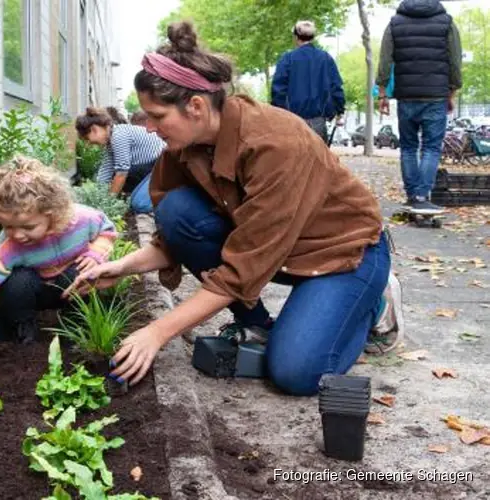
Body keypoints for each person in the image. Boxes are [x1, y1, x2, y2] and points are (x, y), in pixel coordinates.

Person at [64, 21, 405, 396]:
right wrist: (122, 267)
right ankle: (257, 324)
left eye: (157, 117)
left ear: (195, 106)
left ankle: (370, 306)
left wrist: (157, 332)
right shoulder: (183, 145)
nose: (149, 128)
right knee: (177, 210)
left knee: (295, 373)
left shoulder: (276, 144)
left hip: (343, 253)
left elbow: (243, 268)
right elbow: (177, 236)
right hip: (279, 253)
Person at [0, 156, 117, 374]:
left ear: (51, 214)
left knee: (85, 271)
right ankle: (25, 333)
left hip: (71, 284)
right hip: (34, 290)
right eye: (8, 226)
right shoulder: (8, 247)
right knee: (16, 281)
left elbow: (107, 230)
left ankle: (75, 326)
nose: (18, 235)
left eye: (28, 226)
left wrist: (96, 253)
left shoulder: (82, 219)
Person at [377, 0, 463, 213]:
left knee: (408, 147)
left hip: (407, 95)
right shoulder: (447, 23)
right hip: (435, 95)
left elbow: (385, 59)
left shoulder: (395, 23)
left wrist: (382, 92)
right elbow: (455, 59)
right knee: (431, 147)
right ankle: (422, 196)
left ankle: (412, 194)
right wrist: (452, 90)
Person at [76, 107, 165, 214]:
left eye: (87, 138)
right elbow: (105, 171)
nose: (88, 144)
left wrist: (108, 204)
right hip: (150, 167)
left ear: (94, 129)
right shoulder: (111, 140)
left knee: (140, 205)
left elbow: (121, 174)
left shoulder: (119, 136)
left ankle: (166, 197)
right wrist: (95, 195)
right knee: (118, 178)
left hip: (163, 165)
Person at [271, 20, 346, 143]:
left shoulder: (287, 59)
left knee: (294, 159)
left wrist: (279, 113)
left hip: (292, 121)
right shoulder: (326, 58)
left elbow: (278, 90)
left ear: (296, 37)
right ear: (313, 37)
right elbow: (336, 87)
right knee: (317, 160)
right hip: (318, 122)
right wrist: (339, 111)